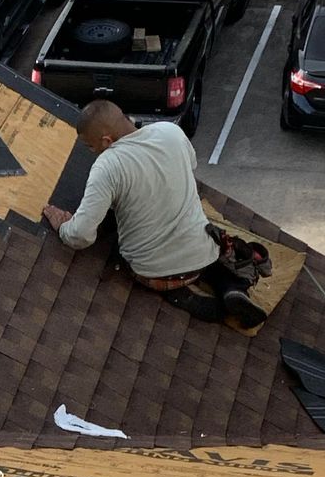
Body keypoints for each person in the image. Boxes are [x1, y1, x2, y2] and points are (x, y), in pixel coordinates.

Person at [43, 101, 268, 330]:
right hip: (201, 253)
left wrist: (63, 227)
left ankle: (209, 308)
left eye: (91, 147)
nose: (92, 152)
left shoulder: (107, 166)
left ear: (106, 141)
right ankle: (232, 289)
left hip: (154, 271)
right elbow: (189, 166)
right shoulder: (169, 132)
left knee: (171, 267)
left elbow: (81, 236)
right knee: (208, 251)